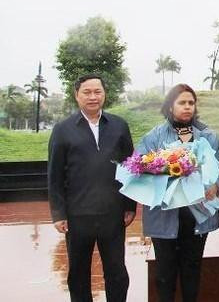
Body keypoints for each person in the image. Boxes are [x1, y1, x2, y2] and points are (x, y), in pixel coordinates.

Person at [47, 74, 136, 302]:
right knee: (78, 274)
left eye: (97, 91)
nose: (93, 97)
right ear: (76, 95)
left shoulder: (119, 126)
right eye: (87, 92)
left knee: (116, 272)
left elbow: (130, 167)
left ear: (105, 94)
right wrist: (58, 214)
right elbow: (54, 175)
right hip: (78, 215)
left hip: (112, 213)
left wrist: (130, 206)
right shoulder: (63, 129)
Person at [137, 84, 219, 302]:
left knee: (191, 269)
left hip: (197, 215)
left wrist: (216, 185)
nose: (187, 107)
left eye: (191, 103)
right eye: (182, 103)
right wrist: (162, 170)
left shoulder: (207, 135)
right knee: (165, 273)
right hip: (164, 215)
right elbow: (138, 169)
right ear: (170, 106)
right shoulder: (154, 137)